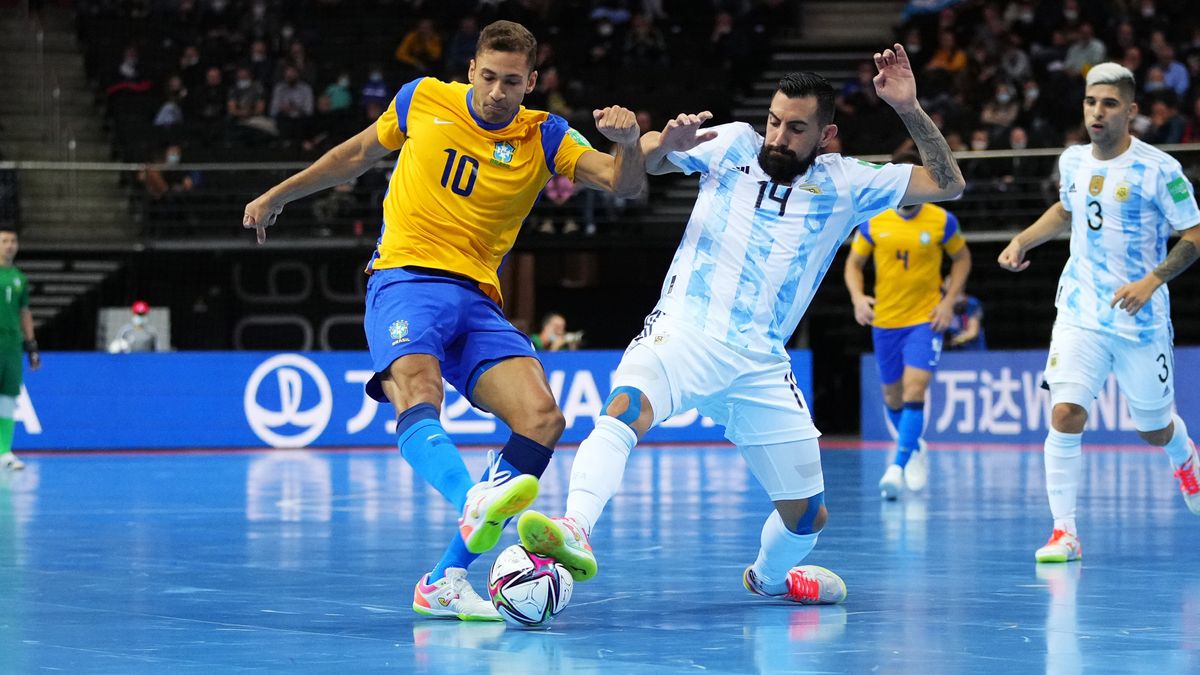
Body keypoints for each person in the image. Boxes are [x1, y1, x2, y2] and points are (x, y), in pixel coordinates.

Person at [516, 45, 965, 606]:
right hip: (684, 331)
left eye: (796, 129)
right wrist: (655, 142)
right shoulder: (731, 144)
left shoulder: (847, 183)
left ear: (825, 136)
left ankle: (769, 578)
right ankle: (575, 527)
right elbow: (644, 163)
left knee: (808, 515)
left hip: (760, 363)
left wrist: (908, 108)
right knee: (626, 407)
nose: (778, 137)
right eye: (774, 121)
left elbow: (947, 184)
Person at [242, 20, 648, 621]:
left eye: (512, 82)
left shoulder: (545, 135)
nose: (497, 92)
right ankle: (471, 497)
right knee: (418, 388)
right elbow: (354, 156)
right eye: (489, 77)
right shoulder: (423, 98)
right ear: (471, 70)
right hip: (405, 278)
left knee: (542, 419)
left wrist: (630, 142)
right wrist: (279, 194)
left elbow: (623, 184)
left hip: (478, 299)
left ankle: (444, 580)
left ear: (531, 82)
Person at [998, 63, 1200, 564]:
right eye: (1091, 102)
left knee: (1153, 429)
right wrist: (1024, 240)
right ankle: (1063, 532)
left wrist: (1152, 280)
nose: (1097, 112)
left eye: (1109, 104)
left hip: (1140, 317)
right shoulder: (1072, 161)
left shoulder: (1160, 170)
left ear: (1131, 111)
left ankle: (1184, 456)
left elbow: (1194, 235)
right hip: (1080, 310)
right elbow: (1066, 211)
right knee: (1065, 411)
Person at [843, 151, 971, 500]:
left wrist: (948, 302)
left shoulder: (942, 220)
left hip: (924, 321)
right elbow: (854, 264)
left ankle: (897, 466)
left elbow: (962, 259)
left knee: (915, 391)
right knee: (893, 397)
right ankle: (914, 447)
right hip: (886, 320)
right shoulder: (874, 219)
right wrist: (858, 297)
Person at [0, 227, 39, 471]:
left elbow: (25, 312)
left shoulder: (19, 278)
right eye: (4, 241)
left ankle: (4, 451)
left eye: (13, 241)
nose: (9, 245)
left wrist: (31, 345)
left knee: (7, 399)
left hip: (12, 347)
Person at [945, 284, 986, 350]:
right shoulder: (941, 305)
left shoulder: (972, 303)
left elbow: (972, 333)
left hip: (972, 350)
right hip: (950, 352)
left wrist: (955, 340)